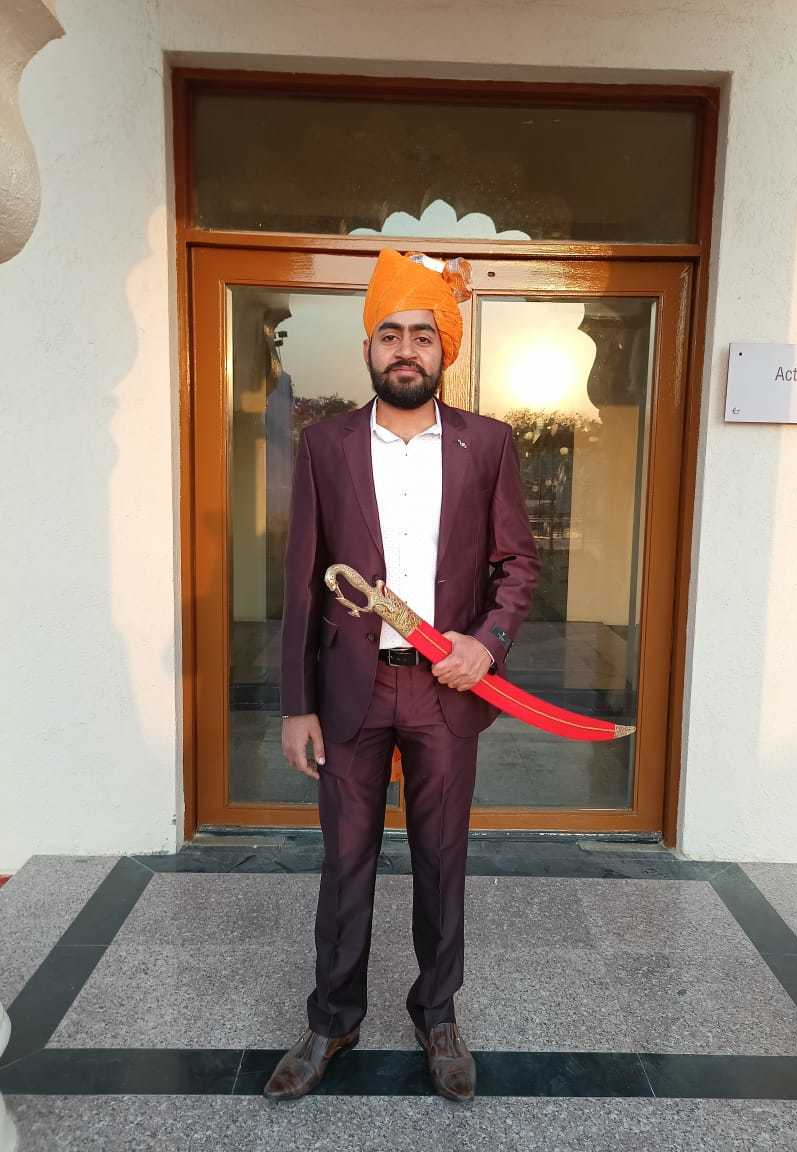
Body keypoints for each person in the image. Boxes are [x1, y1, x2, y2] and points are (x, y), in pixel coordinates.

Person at [264, 249, 540, 1103]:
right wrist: (296, 705)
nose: (407, 349)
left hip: (445, 689)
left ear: (443, 350)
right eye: (391, 334)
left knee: (441, 860)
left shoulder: (488, 444)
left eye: (423, 334)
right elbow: (303, 581)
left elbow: (518, 564)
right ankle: (332, 1018)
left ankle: (437, 1014)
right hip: (352, 687)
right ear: (369, 349)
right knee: (344, 861)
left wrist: (487, 643)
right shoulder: (326, 445)